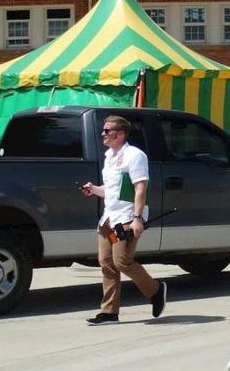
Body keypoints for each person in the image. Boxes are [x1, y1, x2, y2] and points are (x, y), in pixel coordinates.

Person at [80, 114, 167, 324]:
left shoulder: (134, 156)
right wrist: (94, 190)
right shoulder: (110, 156)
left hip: (127, 218)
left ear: (119, 134)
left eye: (107, 131)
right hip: (109, 218)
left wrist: (137, 219)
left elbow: (140, 188)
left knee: (122, 261)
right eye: (104, 130)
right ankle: (109, 312)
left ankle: (156, 290)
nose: (103, 134)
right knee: (106, 262)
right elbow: (113, 191)